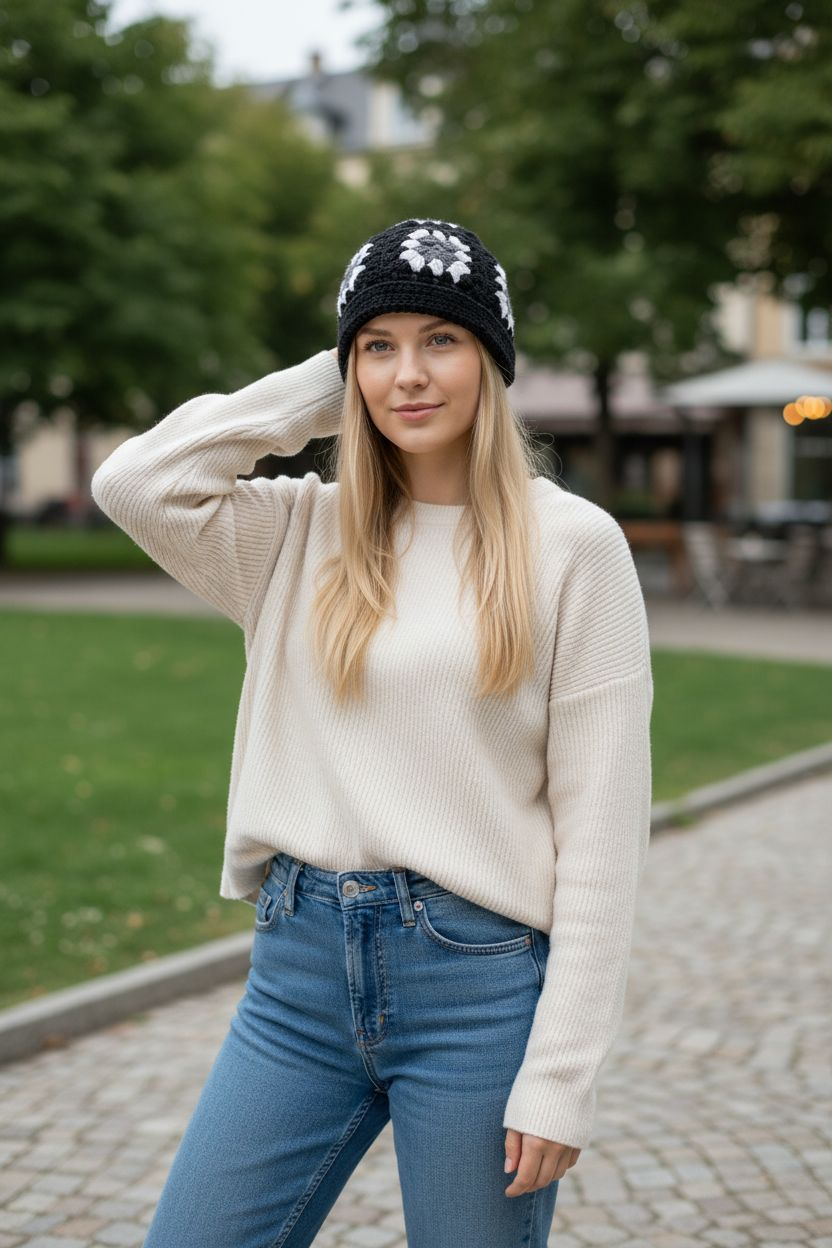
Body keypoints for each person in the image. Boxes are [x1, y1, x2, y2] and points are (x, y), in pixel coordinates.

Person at [91, 217, 654, 1248]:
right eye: (379, 347)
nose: (410, 374)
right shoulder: (296, 531)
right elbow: (135, 482)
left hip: (476, 987)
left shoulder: (574, 547)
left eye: (442, 339)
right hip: (297, 978)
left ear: (491, 358)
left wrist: (560, 1077)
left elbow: (604, 835)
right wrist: (331, 368)